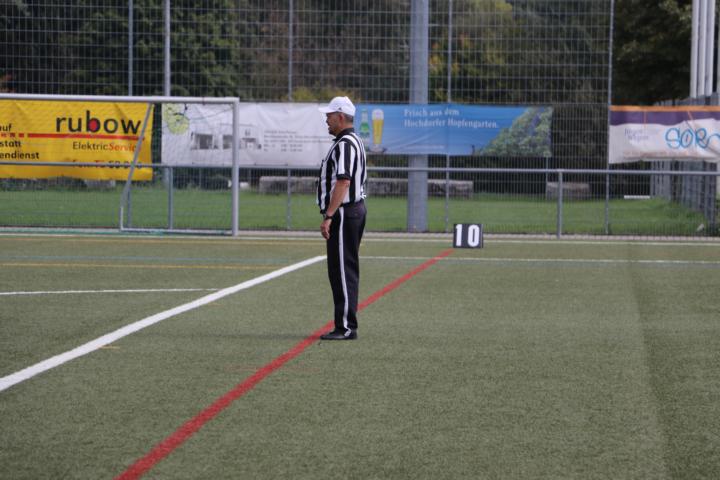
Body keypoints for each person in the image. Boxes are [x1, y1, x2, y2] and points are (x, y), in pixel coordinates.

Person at [316, 96, 368, 340]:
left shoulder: (345, 144)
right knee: (342, 269)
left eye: (329, 116)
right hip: (352, 210)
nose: (326, 120)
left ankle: (346, 326)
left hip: (345, 212)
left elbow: (343, 181)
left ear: (340, 116)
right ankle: (345, 324)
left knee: (342, 271)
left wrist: (329, 215)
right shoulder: (352, 141)